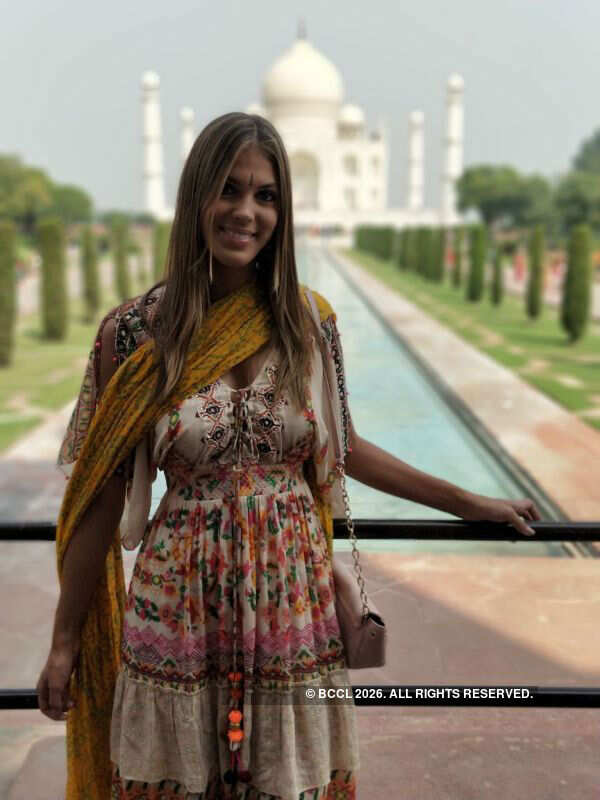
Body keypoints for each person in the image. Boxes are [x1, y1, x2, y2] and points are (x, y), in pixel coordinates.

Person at [36, 112, 541, 800]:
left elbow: (347, 447)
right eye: (230, 189)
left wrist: (469, 501)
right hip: (179, 602)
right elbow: (99, 493)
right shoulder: (134, 332)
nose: (247, 211)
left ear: (283, 210)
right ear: (196, 199)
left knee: (288, 778)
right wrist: (65, 643)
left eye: (266, 195)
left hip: (292, 603)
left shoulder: (308, 321)